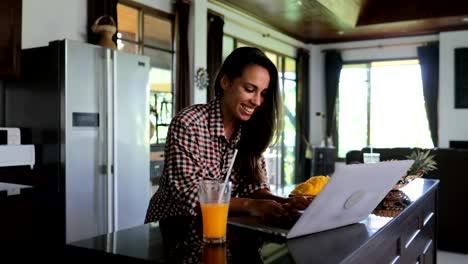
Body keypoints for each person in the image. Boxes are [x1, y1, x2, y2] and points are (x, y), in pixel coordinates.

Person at [145, 47, 311, 228]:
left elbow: (253, 188)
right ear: (225, 82)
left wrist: (283, 202)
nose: (256, 101)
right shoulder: (189, 124)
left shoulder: (250, 130)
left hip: (220, 229)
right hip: (174, 229)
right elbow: (192, 199)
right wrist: (251, 206)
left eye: (263, 93)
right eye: (249, 89)